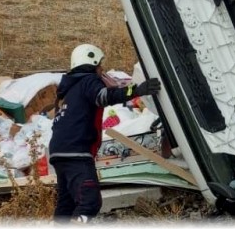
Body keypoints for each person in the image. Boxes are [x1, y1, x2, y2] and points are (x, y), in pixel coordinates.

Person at [48, 43, 161, 222]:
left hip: (58, 152)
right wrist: (137, 90)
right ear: (90, 63)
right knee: (90, 202)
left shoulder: (66, 91)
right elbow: (105, 96)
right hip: (76, 152)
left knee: (66, 205)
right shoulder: (88, 80)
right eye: (99, 65)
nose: (102, 69)